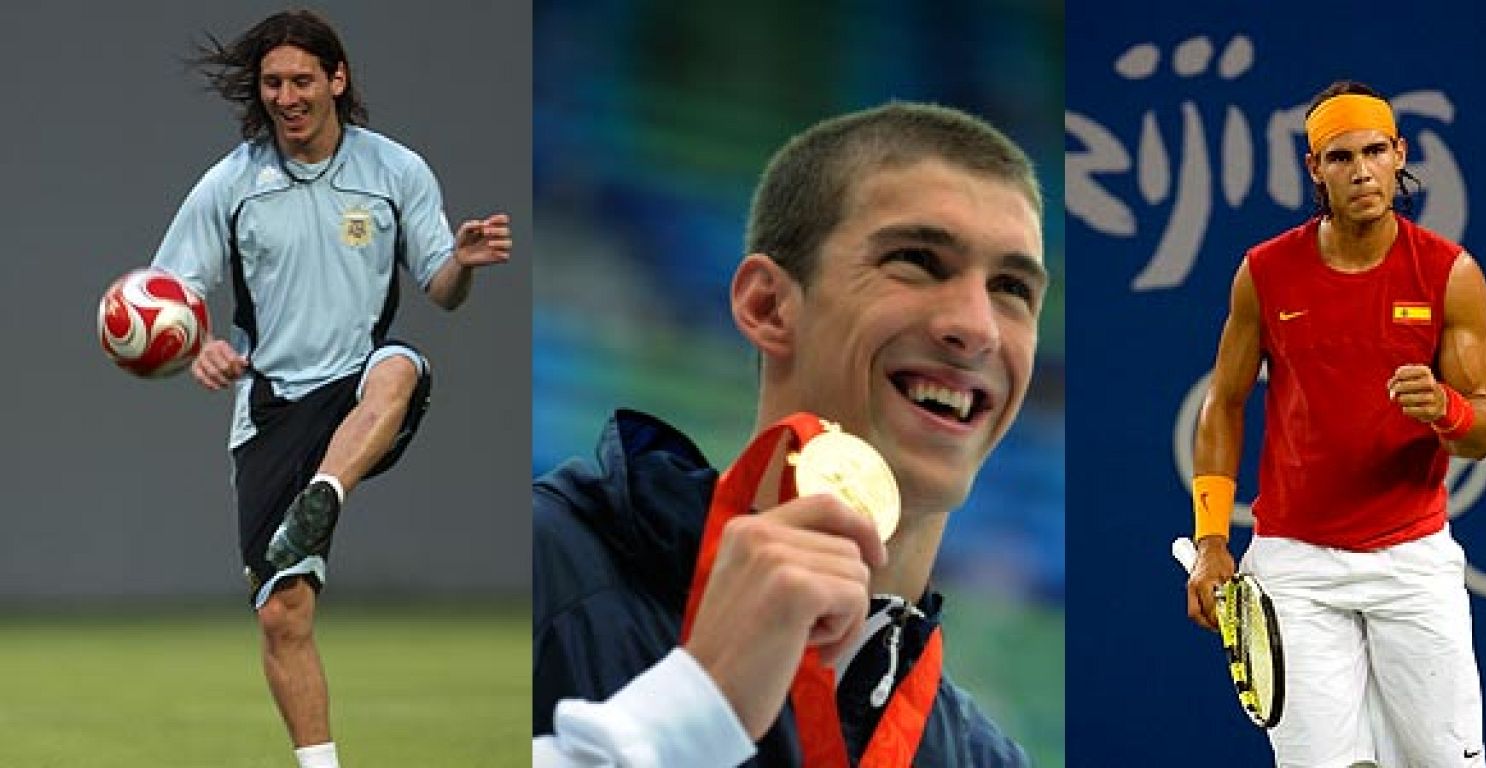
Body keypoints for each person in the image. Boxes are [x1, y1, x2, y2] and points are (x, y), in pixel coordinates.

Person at [533, 102, 1046, 766]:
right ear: (768, 306)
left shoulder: (983, 758)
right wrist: (698, 707)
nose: (977, 327)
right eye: (917, 261)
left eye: (1011, 287)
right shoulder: (546, 568)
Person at [149, 11, 511, 768]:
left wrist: (466, 261)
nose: (286, 96)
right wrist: (200, 352)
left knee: (401, 365)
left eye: (302, 80)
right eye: (273, 82)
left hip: (360, 390)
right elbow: (169, 295)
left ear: (337, 80)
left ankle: (326, 497)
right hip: (273, 406)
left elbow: (441, 289)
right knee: (282, 616)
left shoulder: (396, 172)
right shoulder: (231, 184)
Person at [1185, 80, 1486, 766]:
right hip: (1296, 564)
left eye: (1375, 152)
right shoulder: (1264, 273)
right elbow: (1224, 404)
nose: (1360, 171)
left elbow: (1485, 427)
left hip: (1412, 559)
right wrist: (1212, 540)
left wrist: (1445, 408)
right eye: (1339, 157)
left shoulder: (1451, 274)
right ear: (1314, 169)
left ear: (1399, 155)